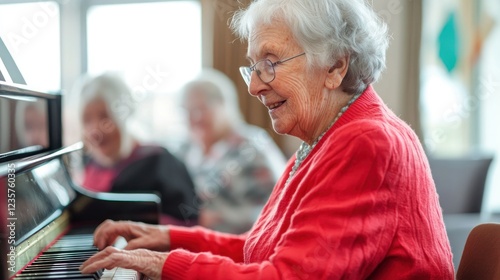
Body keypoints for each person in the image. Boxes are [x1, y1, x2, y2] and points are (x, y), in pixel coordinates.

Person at [80, 1, 455, 279]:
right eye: (253, 67)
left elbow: (286, 276)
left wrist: (166, 265)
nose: (256, 86)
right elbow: (256, 250)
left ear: (336, 66)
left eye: (270, 63)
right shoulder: (319, 143)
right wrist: (166, 238)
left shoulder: (368, 142)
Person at [77, 72, 199, 226]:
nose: (95, 130)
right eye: (87, 120)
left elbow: (188, 223)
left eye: (105, 117)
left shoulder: (159, 161)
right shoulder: (89, 163)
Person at [177, 68, 286, 234]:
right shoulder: (184, 149)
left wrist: (214, 219)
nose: (194, 118)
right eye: (187, 111)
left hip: (239, 243)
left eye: (201, 109)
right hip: (191, 243)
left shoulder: (251, 145)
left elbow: (277, 207)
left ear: (223, 105)